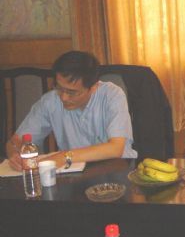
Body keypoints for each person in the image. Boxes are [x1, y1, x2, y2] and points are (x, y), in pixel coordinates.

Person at [6, 51, 137, 170]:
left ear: (93, 87)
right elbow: (16, 140)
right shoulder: (50, 101)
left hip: (115, 170)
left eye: (72, 92)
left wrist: (64, 156)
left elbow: (115, 148)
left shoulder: (112, 95)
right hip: (74, 173)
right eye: (59, 87)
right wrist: (15, 154)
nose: (63, 97)